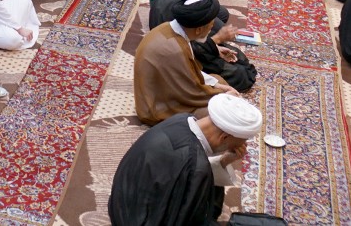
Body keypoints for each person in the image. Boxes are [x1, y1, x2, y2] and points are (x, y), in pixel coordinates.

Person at [109, 94, 262, 226]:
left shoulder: (181, 119)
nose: (242, 146)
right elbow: (191, 218)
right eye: (240, 142)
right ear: (224, 137)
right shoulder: (196, 167)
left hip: (120, 205)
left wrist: (223, 161)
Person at [134, 0, 237, 125]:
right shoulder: (175, 49)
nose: (211, 29)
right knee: (222, 112)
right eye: (211, 26)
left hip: (164, 89)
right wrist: (222, 96)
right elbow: (190, 93)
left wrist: (216, 86)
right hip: (156, 107)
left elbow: (188, 74)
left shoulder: (170, 28)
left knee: (219, 80)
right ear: (199, 29)